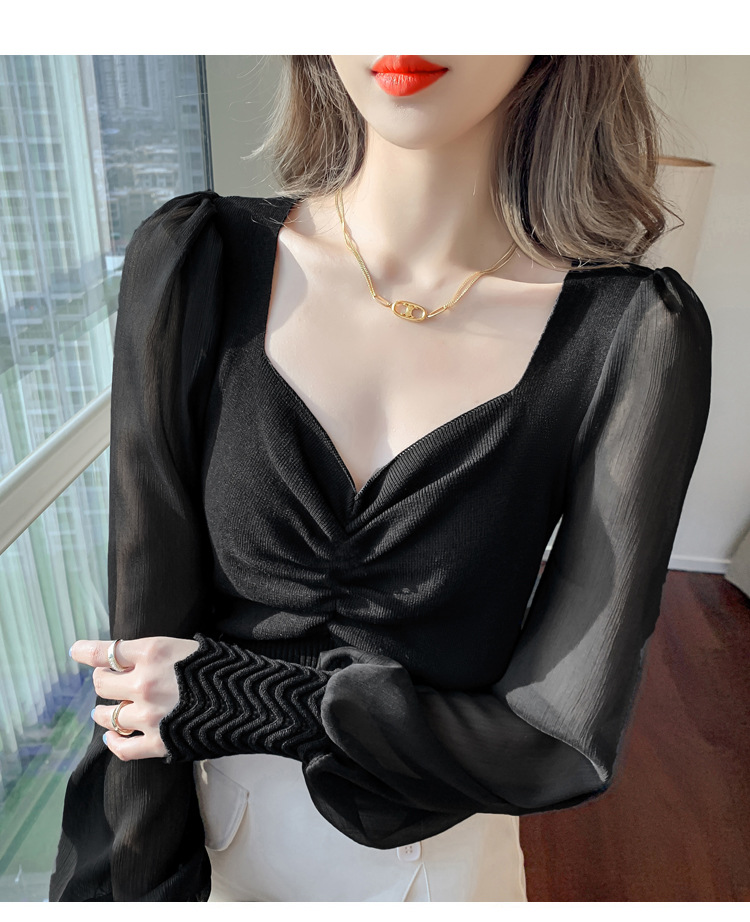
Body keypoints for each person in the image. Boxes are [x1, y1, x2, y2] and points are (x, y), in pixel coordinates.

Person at [49, 55, 712, 902]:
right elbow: (140, 652)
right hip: (211, 853)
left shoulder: (632, 333)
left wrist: (258, 698)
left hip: (437, 870)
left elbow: (563, 737)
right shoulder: (195, 259)